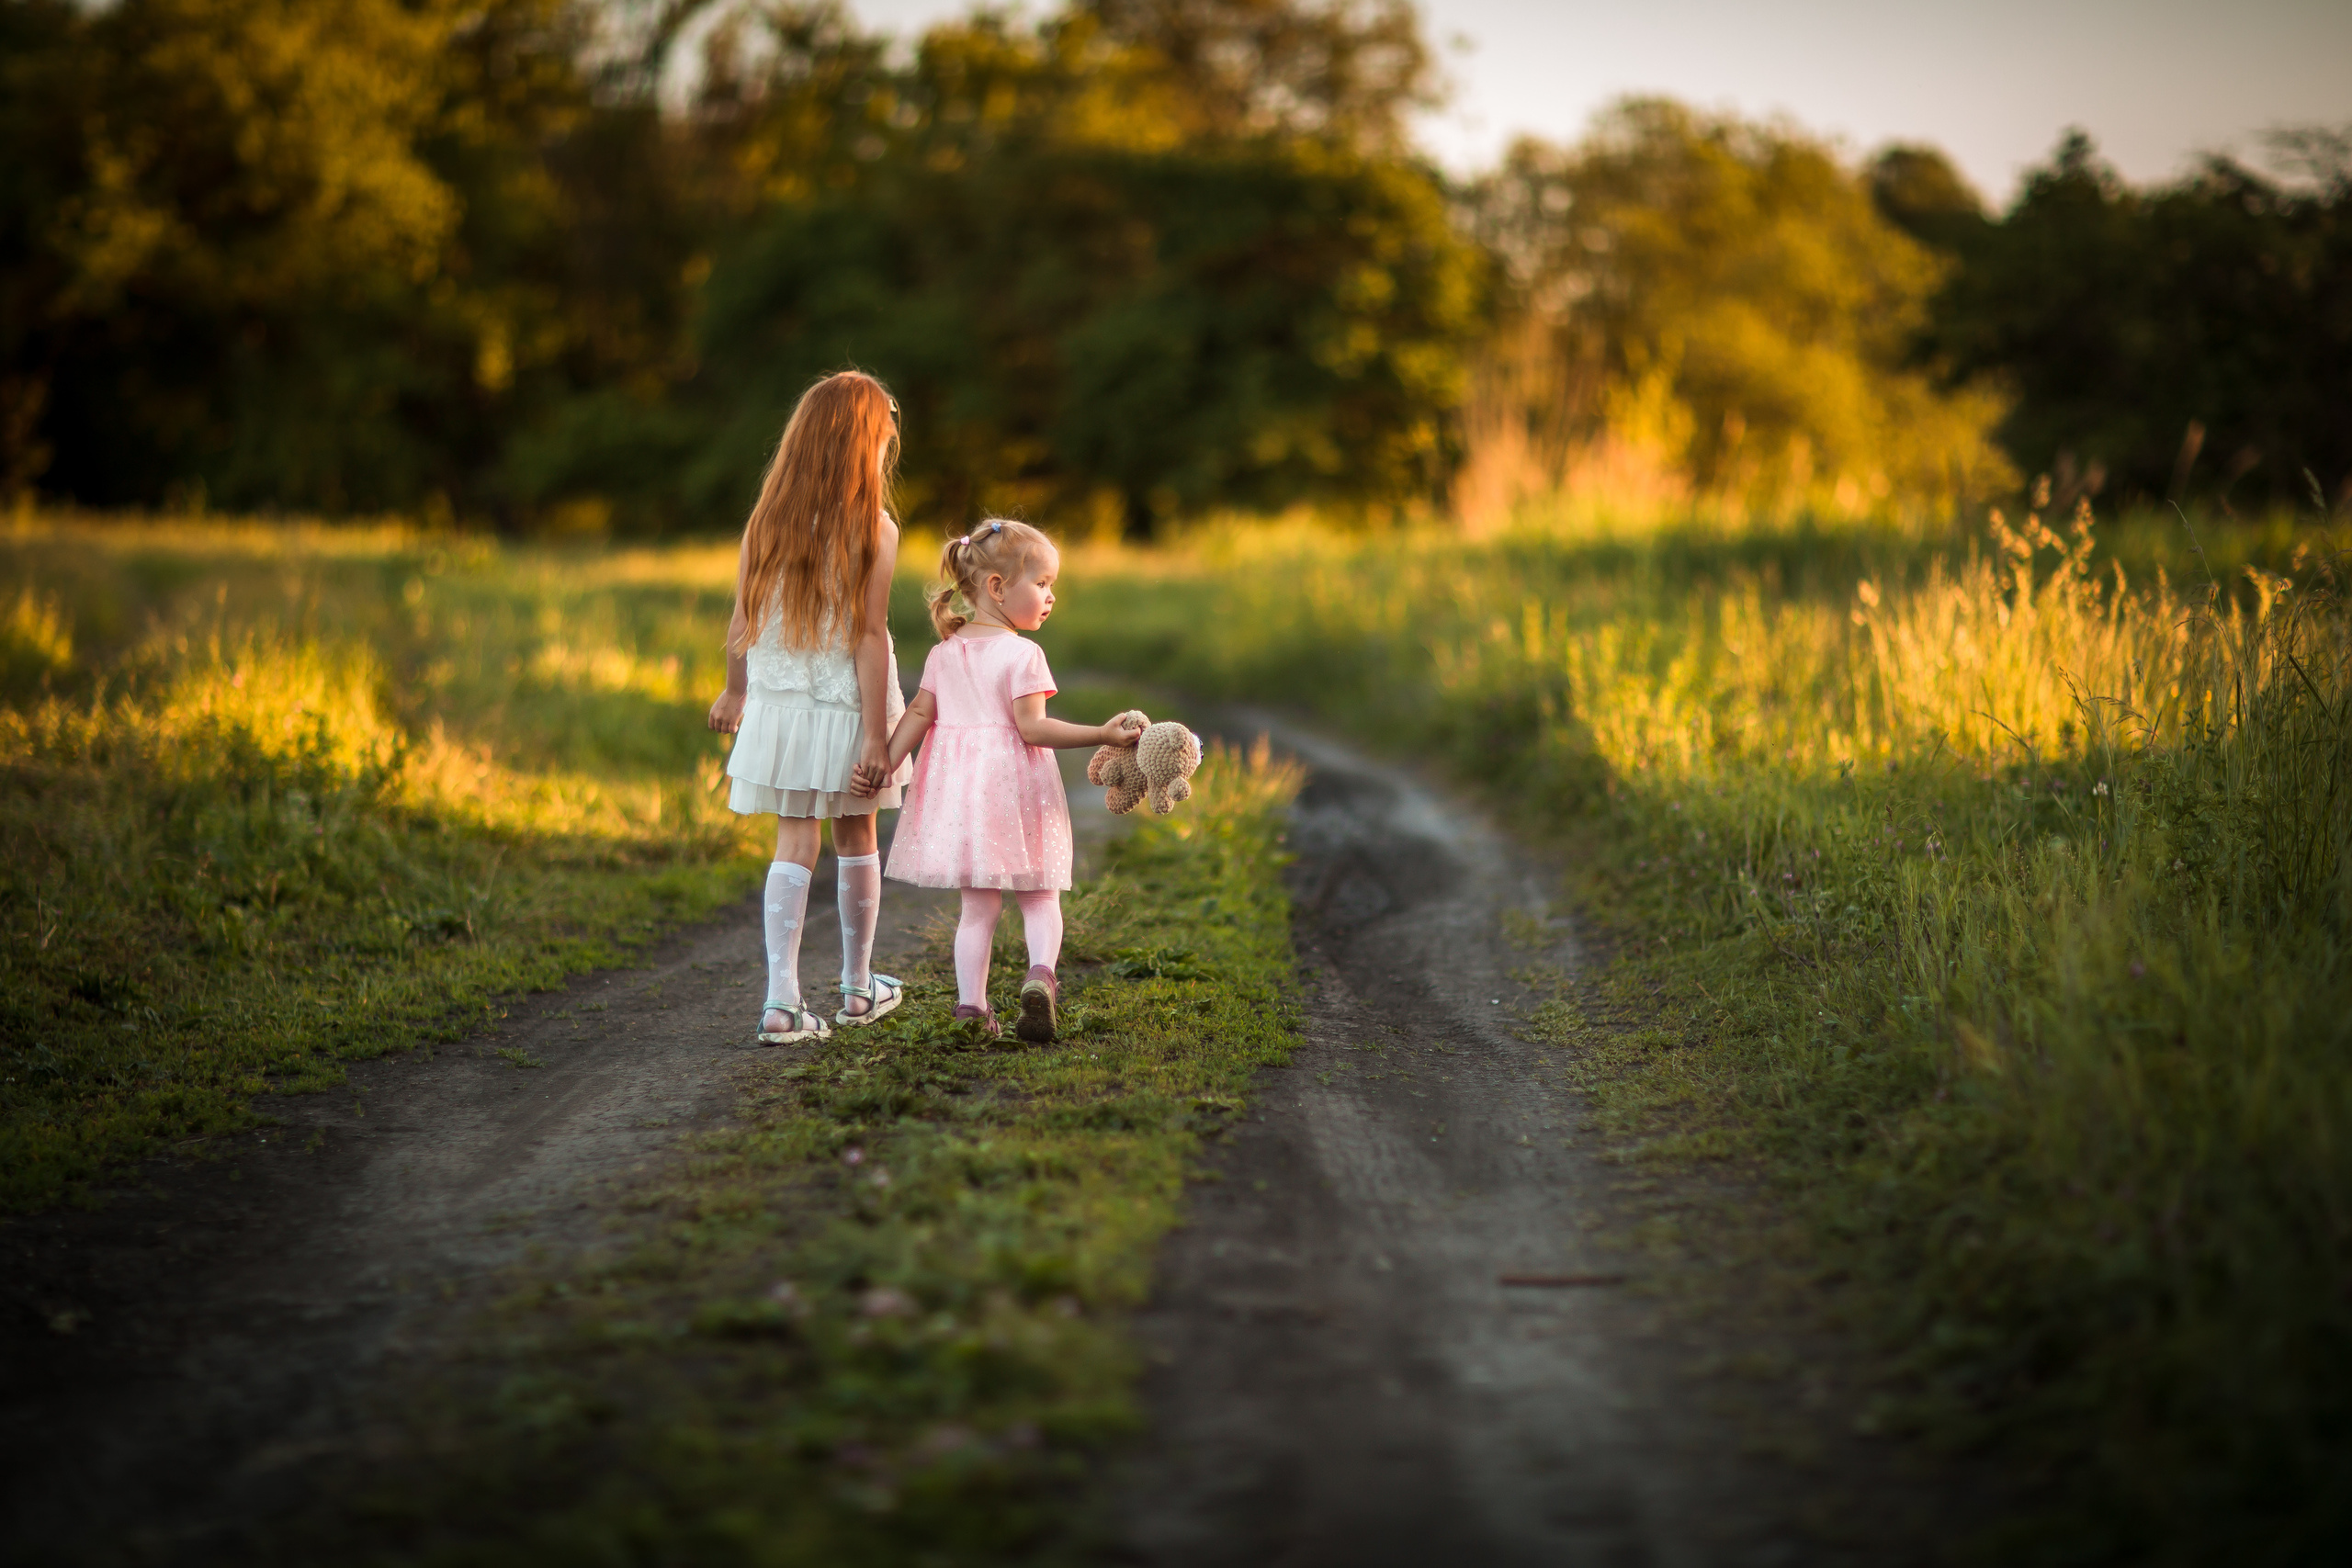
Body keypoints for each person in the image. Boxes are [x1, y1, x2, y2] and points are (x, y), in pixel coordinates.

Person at [854, 519, 1141, 1043]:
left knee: (977, 909)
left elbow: (919, 713)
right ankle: (1040, 976)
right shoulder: (1022, 654)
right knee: (1039, 893)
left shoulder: (946, 652)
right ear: (996, 587)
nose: (1051, 596)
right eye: (1043, 583)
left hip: (961, 795)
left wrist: (886, 764)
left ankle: (970, 1008)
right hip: (1015, 788)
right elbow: (1032, 728)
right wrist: (1101, 732)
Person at [707, 371, 911, 1044]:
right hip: (847, 708)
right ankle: (857, 988)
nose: (889, 449)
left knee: (793, 840)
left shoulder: (768, 519)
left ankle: (781, 1003)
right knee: (857, 836)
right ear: (863, 446)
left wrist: (737, 689)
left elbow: (741, 617)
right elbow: (869, 633)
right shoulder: (874, 529)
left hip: (783, 707)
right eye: (884, 437)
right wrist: (878, 737)